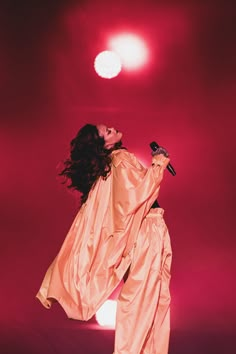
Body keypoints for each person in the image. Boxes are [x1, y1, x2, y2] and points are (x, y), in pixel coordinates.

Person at [36, 123, 172, 354]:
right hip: (147, 232)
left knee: (150, 303)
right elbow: (140, 194)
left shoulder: (110, 167)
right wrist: (158, 162)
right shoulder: (119, 159)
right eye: (107, 132)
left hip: (147, 231)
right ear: (104, 146)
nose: (112, 127)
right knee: (145, 305)